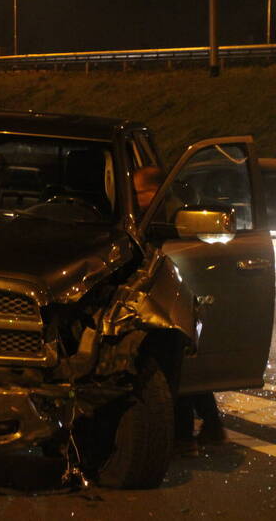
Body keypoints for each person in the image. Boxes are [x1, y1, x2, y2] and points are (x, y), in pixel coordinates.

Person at [132, 166, 227, 456]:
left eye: (138, 192)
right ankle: (210, 427)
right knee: (183, 363)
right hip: (183, 292)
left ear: (153, 191)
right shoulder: (168, 209)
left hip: (178, 294)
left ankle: (184, 437)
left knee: (173, 363)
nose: (135, 199)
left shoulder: (168, 217)